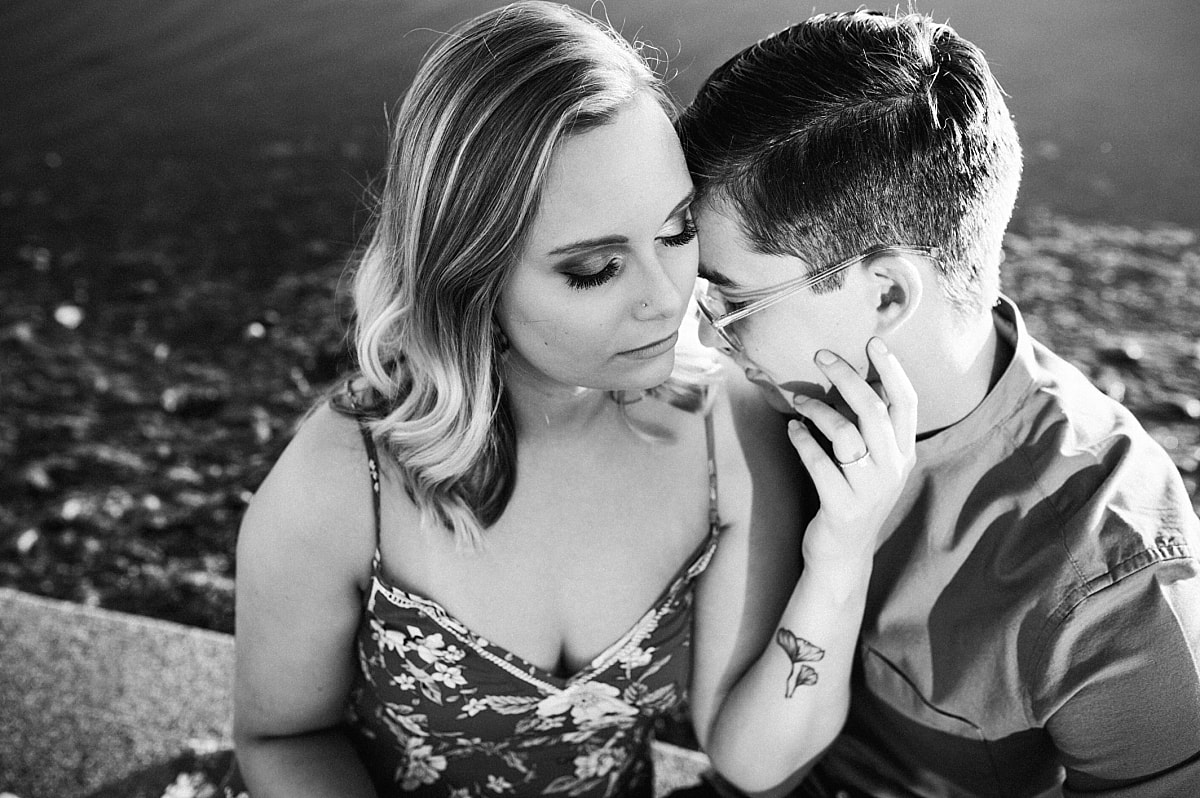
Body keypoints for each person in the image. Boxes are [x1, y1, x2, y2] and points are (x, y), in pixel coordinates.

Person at [231, 3, 918, 796]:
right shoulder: (347, 478)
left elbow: (754, 762)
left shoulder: (727, 430)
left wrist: (840, 555)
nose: (668, 299)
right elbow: (282, 736)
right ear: (471, 278)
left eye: (675, 231)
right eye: (594, 269)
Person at [677, 9, 1200, 797]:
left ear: (886, 292)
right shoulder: (767, 399)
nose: (712, 338)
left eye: (733, 303)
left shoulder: (1112, 575)